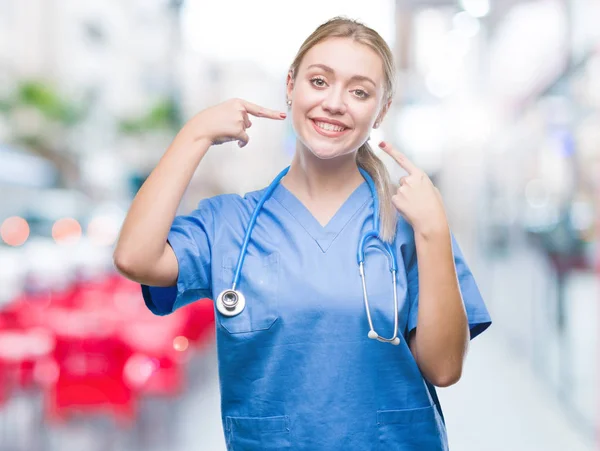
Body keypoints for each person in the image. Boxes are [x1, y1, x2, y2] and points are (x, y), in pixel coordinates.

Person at [114, 16, 491, 451]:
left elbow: (445, 369)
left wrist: (433, 232)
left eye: (360, 91)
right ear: (290, 86)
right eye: (319, 81)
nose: (334, 103)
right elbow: (135, 257)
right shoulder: (229, 223)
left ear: (381, 109)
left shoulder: (411, 221)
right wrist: (194, 134)